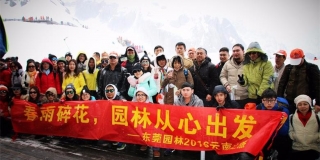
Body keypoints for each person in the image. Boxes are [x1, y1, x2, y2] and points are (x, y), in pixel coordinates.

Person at [277, 48, 320, 114]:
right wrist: (279, 99)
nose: (296, 63)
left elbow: (318, 86)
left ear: (303, 57)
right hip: (289, 100)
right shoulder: (289, 67)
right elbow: (282, 84)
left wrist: (318, 103)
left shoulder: (311, 68)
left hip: (305, 101)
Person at [256, 88, 291, 160]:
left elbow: (284, 132)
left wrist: (279, 123)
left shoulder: (283, 110)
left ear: (276, 100)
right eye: (266, 100)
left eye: (271, 100)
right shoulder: (258, 109)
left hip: (278, 137)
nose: (269, 103)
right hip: (263, 137)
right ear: (262, 100)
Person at [289, 95, 320, 160]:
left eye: (305, 104)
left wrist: (317, 138)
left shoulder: (317, 116)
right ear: (297, 106)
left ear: (309, 105)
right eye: (299, 104)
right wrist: (294, 137)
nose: (302, 106)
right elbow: (290, 130)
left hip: (313, 148)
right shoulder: (291, 117)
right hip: (297, 148)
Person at [132, 87, 160, 157]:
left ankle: (155, 149)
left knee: (155, 130)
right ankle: (144, 143)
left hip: (150, 124)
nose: (140, 97)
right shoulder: (132, 105)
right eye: (138, 95)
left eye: (142, 95)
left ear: (146, 96)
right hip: (139, 124)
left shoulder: (151, 105)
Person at [220, 44, 249, 108]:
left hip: (245, 97)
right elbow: (222, 76)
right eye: (234, 51)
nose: (235, 53)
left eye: (237, 50)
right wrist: (226, 85)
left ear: (243, 51)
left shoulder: (249, 63)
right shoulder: (228, 63)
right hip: (231, 96)